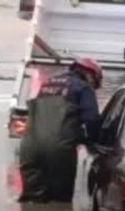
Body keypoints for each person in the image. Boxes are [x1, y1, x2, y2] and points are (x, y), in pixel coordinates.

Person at [18, 58, 103, 204]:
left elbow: (46, 118)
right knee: (60, 201)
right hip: (59, 150)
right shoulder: (83, 87)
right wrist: (94, 141)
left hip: (30, 147)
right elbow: (91, 120)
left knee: (31, 199)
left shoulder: (47, 83)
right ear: (90, 75)